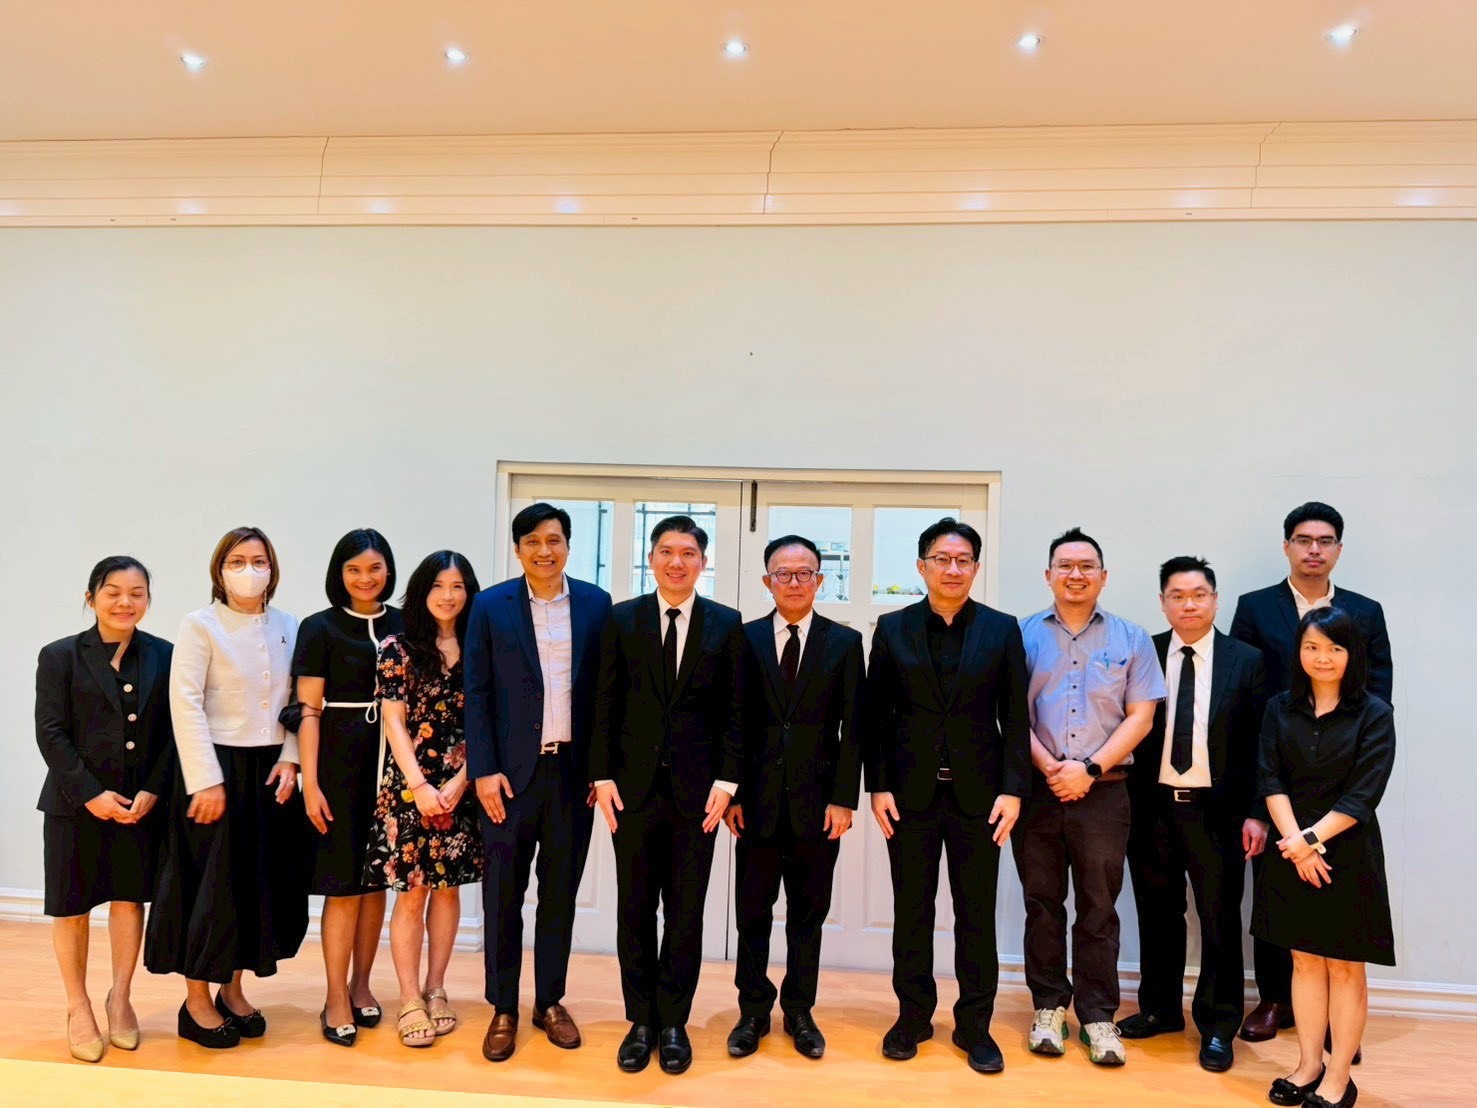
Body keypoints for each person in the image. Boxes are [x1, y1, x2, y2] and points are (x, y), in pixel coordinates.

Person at [864, 517, 1029, 1075]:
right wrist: (878, 785)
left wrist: (1013, 790)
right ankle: (912, 1016)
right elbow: (875, 716)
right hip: (908, 796)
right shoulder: (892, 628)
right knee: (911, 911)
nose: (952, 569)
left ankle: (975, 1025)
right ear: (922, 566)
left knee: (975, 915)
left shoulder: (1002, 629)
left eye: (963, 560)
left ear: (976, 568)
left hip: (980, 799)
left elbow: (1016, 717)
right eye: (942, 559)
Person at [1231, 501, 1393, 1045]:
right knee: (1280, 902)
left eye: (1325, 541)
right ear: (1287, 546)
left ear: (1339, 549)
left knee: (1340, 924)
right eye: (1304, 540)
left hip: (1343, 786)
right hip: (1280, 784)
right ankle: (1276, 998)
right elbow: (1246, 702)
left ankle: (1337, 1029)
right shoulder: (1255, 607)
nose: (1314, 549)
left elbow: (1379, 694)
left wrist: (1342, 795)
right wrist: (1261, 807)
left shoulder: (1365, 611)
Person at [591, 514, 745, 1075]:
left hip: (698, 796)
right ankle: (641, 1020)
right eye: (666, 552)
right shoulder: (621, 618)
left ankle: (674, 1021)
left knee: (685, 910)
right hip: (630, 791)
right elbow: (603, 701)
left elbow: (736, 710)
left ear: (702, 561)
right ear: (651, 559)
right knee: (634, 908)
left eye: (688, 553)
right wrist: (601, 775)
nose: (676, 562)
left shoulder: (725, 623)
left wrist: (727, 782)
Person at [145, 527, 307, 1049]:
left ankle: (232, 990)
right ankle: (195, 1001)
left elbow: (298, 702)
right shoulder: (200, 624)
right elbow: (185, 702)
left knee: (254, 883)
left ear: (272, 569)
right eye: (237, 561)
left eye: (259, 560)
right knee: (208, 886)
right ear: (219, 570)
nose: (248, 570)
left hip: (270, 771)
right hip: (214, 769)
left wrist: (291, 758)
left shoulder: (290, 625)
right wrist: (206, 780)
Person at [464, 503, 612, 1062]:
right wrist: (483, 769)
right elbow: (476, 691)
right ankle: (503, 1005)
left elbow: (606, 694)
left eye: (553, 540)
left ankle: (549, 1000)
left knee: (559, 897)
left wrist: (601, 769)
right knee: (503, 895)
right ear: (518, 549)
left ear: (568, 546)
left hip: (571, 775)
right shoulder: (491, 605)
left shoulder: (596, 604)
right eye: (532, 541)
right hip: (508, 778)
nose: (544, 551)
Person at [1015, 527, 1166, 1066]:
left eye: (1086, 566)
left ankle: (1099, 1016)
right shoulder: (1020, 635)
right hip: (1038, 790)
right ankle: (1048, 1008)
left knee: (1099, 906)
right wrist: (1051, 767)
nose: (1075, 574)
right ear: (1048, 574)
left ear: (1103, 576)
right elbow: (1008, 714)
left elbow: (1142, 717)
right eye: (1065, 565)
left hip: (1106, 792)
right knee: (1042, 903)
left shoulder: (1133, 638)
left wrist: (1090, 768)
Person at [1121, 557, 1266, 1072]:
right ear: (1162, 602)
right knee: (1156, 914)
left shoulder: (1246, 660)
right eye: (1177, 596)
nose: (1189, 604)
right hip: (1152, 806)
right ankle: (1160, 1009)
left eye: (1199, 594)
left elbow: (1262, 744)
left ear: (1215, 600)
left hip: (1218, 813)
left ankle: (1219, 1024)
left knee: (1219, 918)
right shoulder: (1143, 651)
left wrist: (1258, 813)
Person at [725, 535, 864, 1061]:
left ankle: (800, 1009)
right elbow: (733, 721)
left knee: (809, 913)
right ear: (768, 582)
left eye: (805, 573)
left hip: (818, 806)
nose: (794, 582)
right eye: (783, 573)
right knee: (752, 913)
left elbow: (854, 728)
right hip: (755, 805)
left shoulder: (844, 642)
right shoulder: (745, 639)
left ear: (820, 580)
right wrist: (732, 792)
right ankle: (752, 1010)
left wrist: (843, 798)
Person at [36, 556, 174, 1062]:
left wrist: (155, 788)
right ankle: (78, 1007)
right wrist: (91, 794)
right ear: (91, 597)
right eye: (113, 592)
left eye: (137, 593)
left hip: (139, 807)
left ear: (148, 600)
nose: (125, 602)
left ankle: (121, 997)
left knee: (129, 902)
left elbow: (173, 733)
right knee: (71, 908)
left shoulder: (165, 654)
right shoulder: (60, 655)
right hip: (75, 805)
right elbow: (51, 733)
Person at [1255, 608, 1394, 1108]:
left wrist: (1310, 841)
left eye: (1335, 648)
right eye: (1312, 647)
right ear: (1299, 651)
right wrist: (1296, 843)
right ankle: (1308, 1064)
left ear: (1352, 654)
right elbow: (1269, 777)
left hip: (1347, 851)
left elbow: (1364, 794)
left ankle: (1339, 1076)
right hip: (1292, 847)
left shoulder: (1374, 713)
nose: (1323, 657)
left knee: (1345, 967)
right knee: (1304, 959)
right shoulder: (1279, 707)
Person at [365, 551, 484, 1048]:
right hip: (410, 786)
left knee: (448, 890)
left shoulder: (483, 643)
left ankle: (437, 988)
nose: (448, 596)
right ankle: (410, 997)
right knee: (412, 893)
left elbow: (493, 719)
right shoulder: (396, 647)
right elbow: (393, 722)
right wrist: (419, 785)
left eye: (457, 586)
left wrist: (462, 780)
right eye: (438, 585)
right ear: (421, 591)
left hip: (464, 784)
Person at [295, 528, 403, 1046]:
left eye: (374, 568)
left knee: (376, 882)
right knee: (343, 887)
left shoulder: (405, 624)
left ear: (389, 571)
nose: (365, 578)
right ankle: (335, 994)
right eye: (354, 569)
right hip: (338, 766)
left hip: (393, 766)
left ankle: (362, 983)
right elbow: (308, 711)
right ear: (339, 574)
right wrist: (310, 783)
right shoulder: (319, 628)